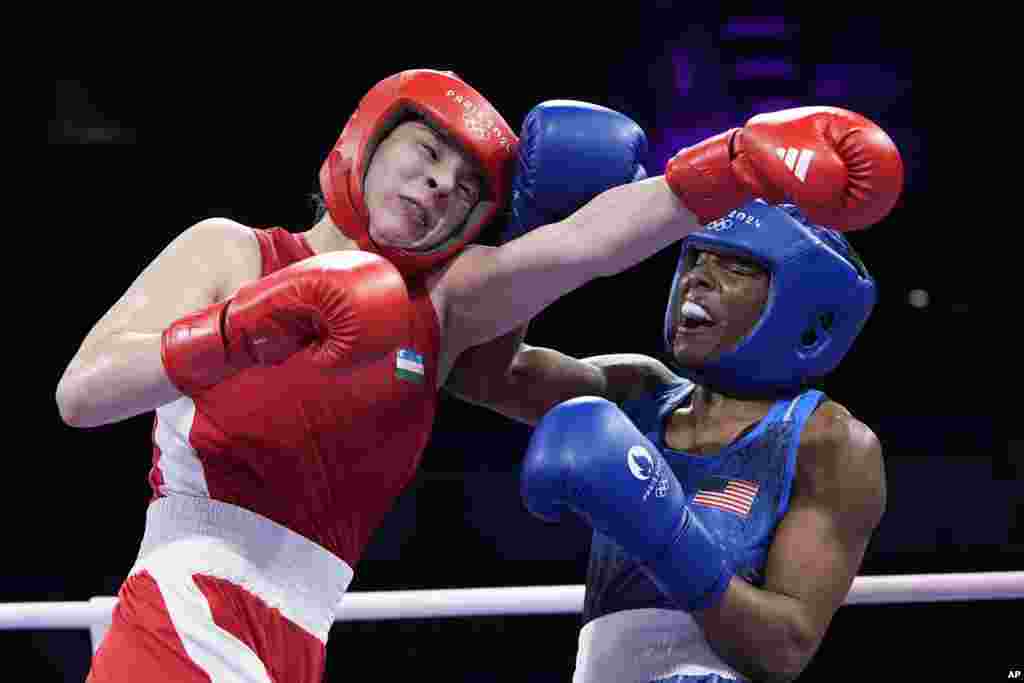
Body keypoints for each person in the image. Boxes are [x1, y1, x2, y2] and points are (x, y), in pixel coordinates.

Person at [55, 65, 900, 683]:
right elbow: (82, 393)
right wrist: (242, 327)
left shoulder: (442, 311)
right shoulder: (233, 251)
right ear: (366, 139)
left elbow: (589, 243)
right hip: (175, 620)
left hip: (299, 645)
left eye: (464, 190)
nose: (436, 185)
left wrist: (737, 161)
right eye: (424, 153)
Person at [445, 196, 899, 682]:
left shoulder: (829, 442)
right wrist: (535, 232)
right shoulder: (638, 392)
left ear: (803, 311)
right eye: (698, 257)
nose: (698, 276)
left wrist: (664, 534)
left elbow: (782, 650)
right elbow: (476, 373)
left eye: (737, 266)